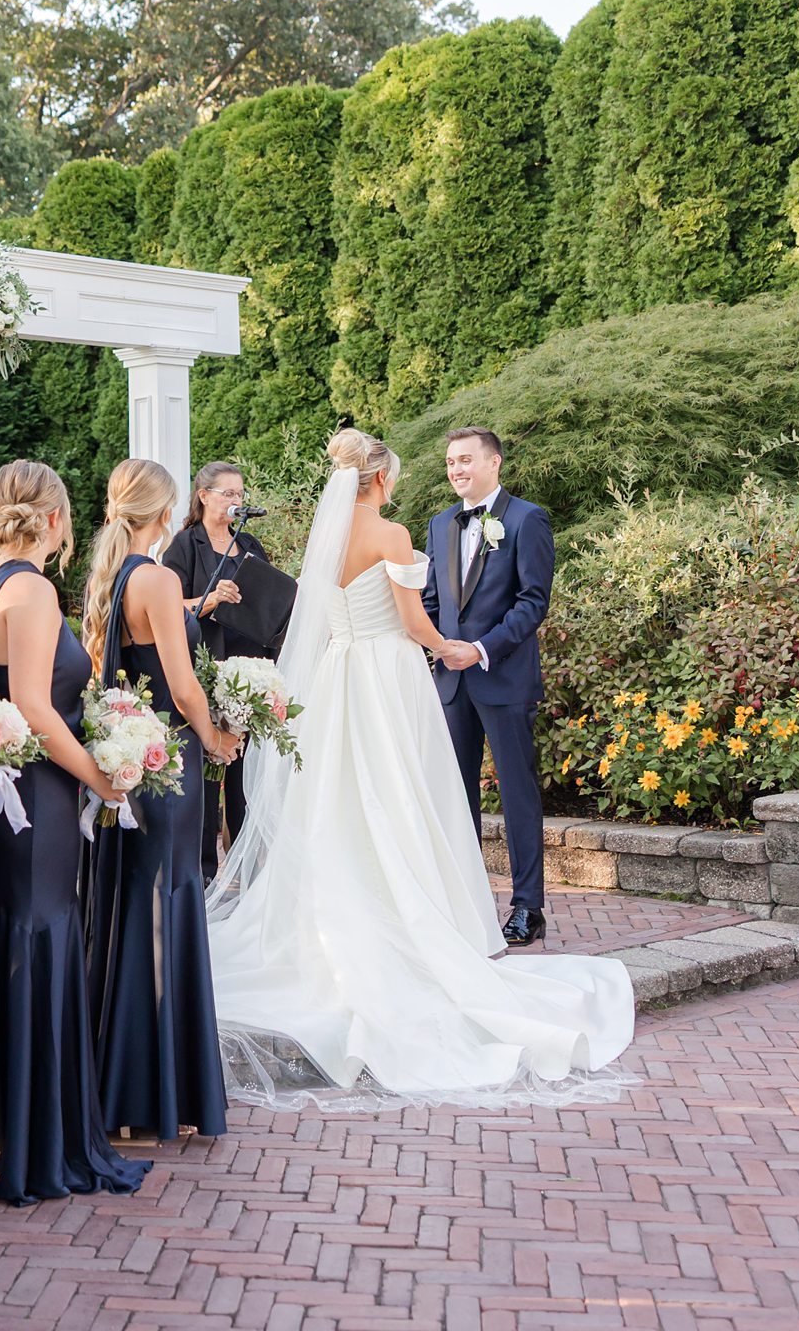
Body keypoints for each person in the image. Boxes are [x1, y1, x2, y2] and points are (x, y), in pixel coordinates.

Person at [206, 430, 634, 1104]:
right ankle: (411, 924)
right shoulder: (395, 532)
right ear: (380, 481)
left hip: (339, 676)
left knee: (342, 800)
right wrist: (450, 648)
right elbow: (413, 622)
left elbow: (318, 619)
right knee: (400, 796)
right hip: (389, 676)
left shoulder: (328, 538)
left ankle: (335, 927)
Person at [0, 461, 150, 1203]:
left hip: (20, 796)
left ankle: (18, 1122)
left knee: (22, 945)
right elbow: (35, 707)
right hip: (36, 798)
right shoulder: (30, 588)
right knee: (38, 942)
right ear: (59, 520)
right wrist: (101, 777)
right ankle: (40, 1141)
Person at [79, 459, 237, 1141]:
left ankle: (117, 1087)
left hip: (127, 761)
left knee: (127, 907)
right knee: (166, 904)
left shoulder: (110, 578)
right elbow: (182, 687)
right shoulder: (161, 578)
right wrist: (217, 738)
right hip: (168, 761)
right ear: (167, 511)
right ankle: (158, 1091)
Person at [422, 427, 554, 945]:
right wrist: (433, 644)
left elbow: (532, 602)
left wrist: (479, 649)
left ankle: (528, 907)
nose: (457, 470)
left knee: (518, 793)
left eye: (466, 460)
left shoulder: (527, 519)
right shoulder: (439, 524)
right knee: (456, 796)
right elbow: (433, 599)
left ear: (494, 463)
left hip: (503, 678)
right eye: (451, 462)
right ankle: (467, 903)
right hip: (450, 684)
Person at [162, 461, 274, 871]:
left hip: (250, 675)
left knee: (247, 777)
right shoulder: (184, 546)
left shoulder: (250, 545)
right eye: (227, 493)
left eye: (240, 494)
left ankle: (247, 870)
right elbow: (168, 609)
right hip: (207, 672)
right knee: (210, 777)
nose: (235, 500)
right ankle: (204, 871)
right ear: (204, 495)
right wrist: (210, 600)